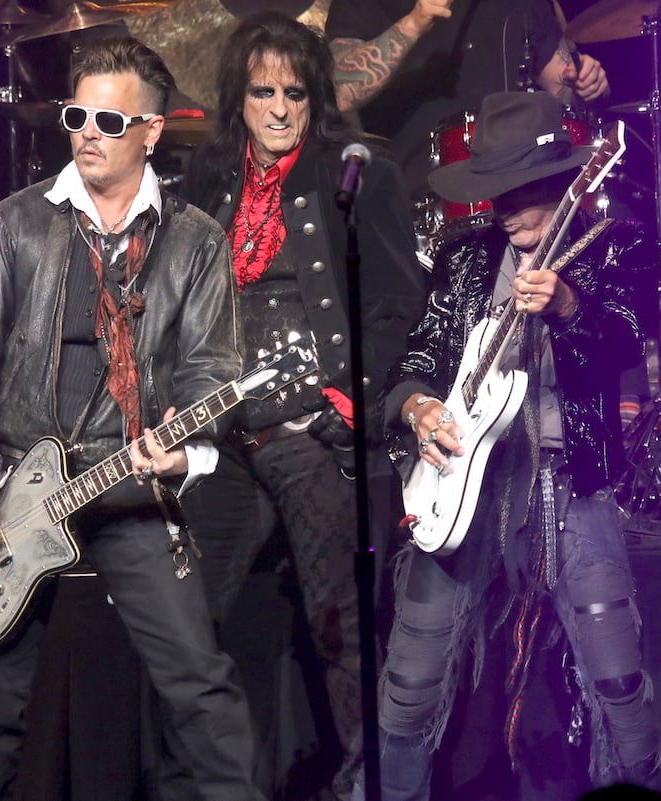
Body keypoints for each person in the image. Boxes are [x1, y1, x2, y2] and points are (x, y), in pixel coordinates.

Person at [0, 37, 262, 801]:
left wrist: (181, 455)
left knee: (199, 686)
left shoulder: (195, 241)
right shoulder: (15, 223)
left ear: (151, 129)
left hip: (127, 486)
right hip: (19, 487)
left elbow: (214, 369)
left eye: (107, 120)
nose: (86, 131)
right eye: (75, 114)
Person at [364, 91, 661, 800]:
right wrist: (417, 407)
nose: (505, 209)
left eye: (520, 193)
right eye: (492, 193)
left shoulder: (614, 242)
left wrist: (566, 307)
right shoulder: (466, 260)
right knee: (407, 683)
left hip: (566, 483)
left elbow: (622, 336)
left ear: (563, 180)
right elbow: (415, 361)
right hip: (462, 487)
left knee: (616, 678)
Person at [178, 11, 424, 801]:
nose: (279, 109)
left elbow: (395, 304)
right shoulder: (205, 188)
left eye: (292, 92)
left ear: (314, 95)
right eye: (261, 92)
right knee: (184, 620)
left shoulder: (358, 177)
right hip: (220, 438)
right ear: (237, 100)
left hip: (307, 431)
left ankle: (366, 783)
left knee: (337, 625)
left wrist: (342, 399)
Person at [325, 0, 610, 190]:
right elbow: (341, 90)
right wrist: (414, 22)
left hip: (517, 182)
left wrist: (586, 82)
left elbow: (562, 87)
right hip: (418, 188)